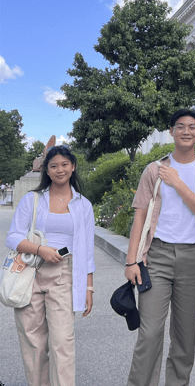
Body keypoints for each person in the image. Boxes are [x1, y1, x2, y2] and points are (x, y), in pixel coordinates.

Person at [125, 108, 195, 386]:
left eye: (193, 127)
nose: (187, 131)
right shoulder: (154, 169)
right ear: (171, 131)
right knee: (150, 332)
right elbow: (140, 215)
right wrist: (132, 261)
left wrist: (178, 183)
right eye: (180, 126)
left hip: (193, 258)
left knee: (184, 335)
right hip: (157, 255)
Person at [6, 145, 95, 386]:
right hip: (30, 272)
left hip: (64, 274)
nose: (59, 170)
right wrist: (39, 249)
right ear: (47, 169)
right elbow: (13, 237)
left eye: (64, 165)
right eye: (54, 165)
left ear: (73, 166)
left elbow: (87, 250)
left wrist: (89, 288)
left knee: (62, 343)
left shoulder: (83, 205)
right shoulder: (32, 199)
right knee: (33, 344)